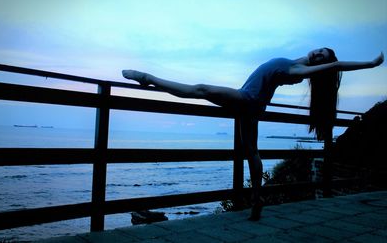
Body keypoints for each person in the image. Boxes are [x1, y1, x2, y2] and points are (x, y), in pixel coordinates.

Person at [122, 48, 384, 220]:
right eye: (320, 48)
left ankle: (148, 78)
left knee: (200, 89)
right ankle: (257, 199)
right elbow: (328, 61)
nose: (317, 52)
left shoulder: (298, 69)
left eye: (321, 55)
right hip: (254, 103)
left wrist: (370, 64)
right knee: (251, 151)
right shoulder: (299, 61)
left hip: (247, 99)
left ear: (320, 63)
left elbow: (336, 65)